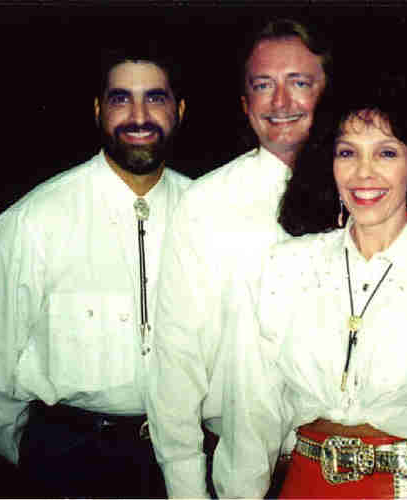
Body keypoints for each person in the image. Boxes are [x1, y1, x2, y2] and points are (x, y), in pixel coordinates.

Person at [212, 85, 407, 498]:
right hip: (305, 488)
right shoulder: (284, 268)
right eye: (347, 152)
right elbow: (250, 416)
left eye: (386, 153)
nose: (364, 173)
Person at [0, 47, 191, 497]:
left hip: (187, 464)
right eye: (121, 99)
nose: (139, 116)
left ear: (179, 110)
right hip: (72, 464)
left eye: (155, 98)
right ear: (98, 110)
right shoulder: (36, 221)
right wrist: (34, 455)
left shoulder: (206, 216)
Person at [145, 18, 331, 497]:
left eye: (299, 83)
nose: (281, 102)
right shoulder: (206, 204)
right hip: (236, 475)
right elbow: (177, 358)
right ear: (246, 103)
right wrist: (186, 485)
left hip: (344, 470)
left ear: (327, 92)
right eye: (263, 85)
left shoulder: (367, 195)